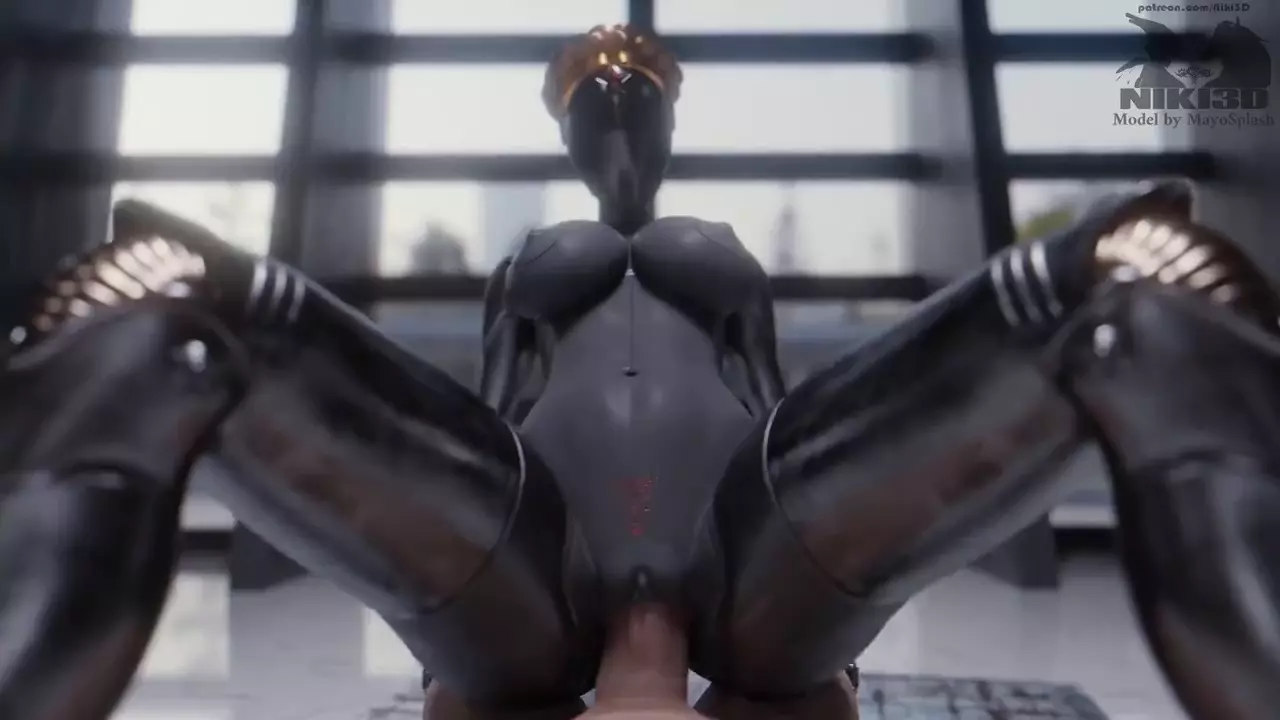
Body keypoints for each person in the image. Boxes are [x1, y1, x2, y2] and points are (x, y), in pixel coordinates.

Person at [0, 24, 1279, 720]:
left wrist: (833, 558)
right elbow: (485, 411)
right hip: (530, 571)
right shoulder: (531, 263)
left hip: (745, 561)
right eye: (594, 93)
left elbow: (773, 404)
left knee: (1135, 282)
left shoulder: (713, 255)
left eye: (636, 88)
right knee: (162, 298)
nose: (618, 102)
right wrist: (441, 589)